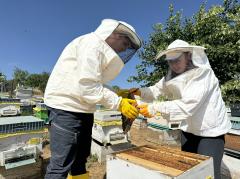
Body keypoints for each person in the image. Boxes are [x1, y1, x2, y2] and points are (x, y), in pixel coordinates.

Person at [44, 19, 141, 179]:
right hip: (66, 109)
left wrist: (119, 94)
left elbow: (93, 83)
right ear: (115, 35)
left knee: (80, 160)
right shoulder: (92, 45)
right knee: (60, 166)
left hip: (83, 110)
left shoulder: (97, 49)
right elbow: (88, 86)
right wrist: (118, 102)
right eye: (125, 44)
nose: (124, 49)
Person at [131, 39, 231, 179]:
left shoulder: (203, 74)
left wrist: (154, 108)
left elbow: (187, 105)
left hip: (209, 131)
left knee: (208, 174)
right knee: (188, 170)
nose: (173, 65)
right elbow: (156, 90)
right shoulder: (172, 75)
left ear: (188, 56)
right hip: (188, 129)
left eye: (177, 60)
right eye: (170, 61)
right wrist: (140, 91)